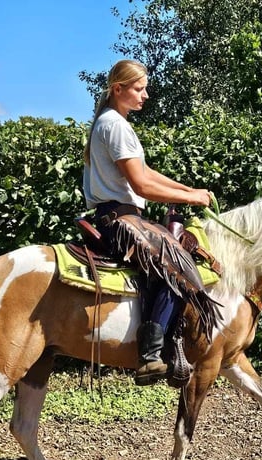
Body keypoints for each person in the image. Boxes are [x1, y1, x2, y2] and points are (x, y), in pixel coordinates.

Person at [82, 59, 217, 385]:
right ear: (119, 89)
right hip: (120, 218)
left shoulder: (113, 123)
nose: (145, 95)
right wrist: (190, 198)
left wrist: (186, 190)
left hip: (121, 215)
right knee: (178, 267)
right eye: (139, 89)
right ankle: (150, 356)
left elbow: (145, 173)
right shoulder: (115, 125)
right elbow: (141, 186)